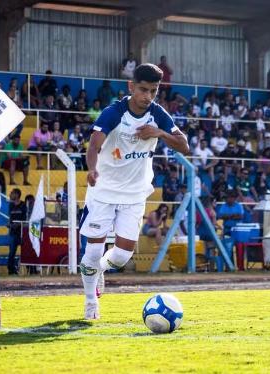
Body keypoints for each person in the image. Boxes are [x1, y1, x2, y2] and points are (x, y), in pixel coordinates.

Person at [78, 63, 188, 319]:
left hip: (134, 194)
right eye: (143, 89)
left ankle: (101, 271)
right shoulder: (113, 113)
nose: (147, 96)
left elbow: (184, 146)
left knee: (121, 256)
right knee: (93, 250)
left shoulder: (158, 115)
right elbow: (93, 146)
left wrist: (160, 132)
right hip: (103, 190)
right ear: (131, 87)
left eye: (153, 90)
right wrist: (92, 170)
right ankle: (89, 302)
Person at [7, 188, 26, 275]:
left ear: (17, 195)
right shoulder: (11, 205)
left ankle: (27, 268)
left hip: (22, 231)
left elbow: (25, 218)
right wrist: (9, 223)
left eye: (12, 193)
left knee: (25, 251)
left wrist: (19, 224)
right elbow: (10, 216)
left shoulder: (23, 205)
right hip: (13, 231)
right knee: (11, 252)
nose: (10, 195)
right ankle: (11, 270)